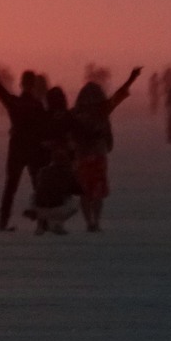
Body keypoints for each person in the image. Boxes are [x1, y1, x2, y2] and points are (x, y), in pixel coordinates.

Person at [0, 57, 48, 231]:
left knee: (10, 188)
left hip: (17, 149)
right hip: (34, 149)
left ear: (22, 84)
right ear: (33, 85)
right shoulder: (37, 105)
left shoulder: (15, 103)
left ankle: (3, 221)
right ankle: (43, 221)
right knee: (38, 185)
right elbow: (46, 127)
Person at [70, 66, 142, 231]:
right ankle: (96, 221)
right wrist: (132, 78)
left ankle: (89, 222)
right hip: (98, 154)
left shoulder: (75, 112)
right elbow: (119, 95)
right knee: (98, 191)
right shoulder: (103, 109)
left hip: (81, 156)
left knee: (84, 191)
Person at [28, 145, 82, 235]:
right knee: (74, 201)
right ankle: (57, 225)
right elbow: (78, 190)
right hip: (56, 208)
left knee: (37, 195)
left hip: (39, 208)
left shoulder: (43, 171)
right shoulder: (68, 172)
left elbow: (39, 188)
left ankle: (40, 227)